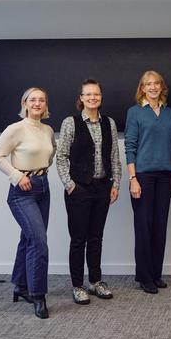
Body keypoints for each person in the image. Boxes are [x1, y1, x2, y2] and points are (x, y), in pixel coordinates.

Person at [0, 87, 56, 319]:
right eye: (33, 100)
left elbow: (50, 155)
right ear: (25, 103)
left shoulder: (48, 130)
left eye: (42, 100)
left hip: (43, 188)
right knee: (39, 242)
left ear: (46, 104)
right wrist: (18, 176)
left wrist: (39, 174)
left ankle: (20, 284)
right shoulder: (15, 129)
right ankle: (38, 295)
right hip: (22, 191)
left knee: (29, 238)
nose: (37, 103)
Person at [56, 79, 121, 305]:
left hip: (102, 187)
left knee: (96, 237)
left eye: (96, 94)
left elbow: (113, 156)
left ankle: (95, 281)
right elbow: (61, 156)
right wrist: (69, 184)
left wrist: (116, 183)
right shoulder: (70, 123)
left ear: (100, 97)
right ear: (81, 98)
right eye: (88, 94)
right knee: (78, 239)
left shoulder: (109, 123)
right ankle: (77, 285)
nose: (93, 98)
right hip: (79, 188)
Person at [124, 71, 171, 294]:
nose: (153, 87)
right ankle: (144, 277)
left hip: (165, 176)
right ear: (143, 88)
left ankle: (156, 274)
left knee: (160, 227)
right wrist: (133, 179)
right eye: (149, 84)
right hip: (143, 177)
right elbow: (130, 146)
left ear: (161, 87)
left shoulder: (169, 113)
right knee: (144, 227)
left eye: (157, 83)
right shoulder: (135, 112)